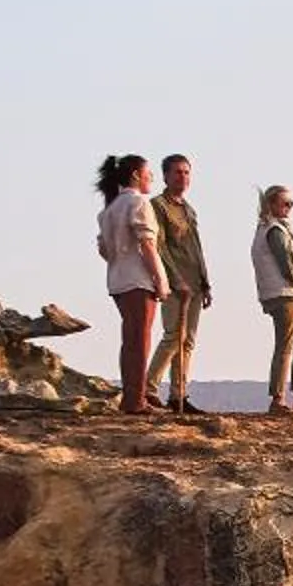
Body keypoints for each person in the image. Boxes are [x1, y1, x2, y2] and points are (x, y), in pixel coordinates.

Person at [93, 153, 164, 413]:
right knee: (140, 339)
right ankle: (136, 399)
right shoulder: (139, 203)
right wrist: (159, 279)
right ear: (136, 175)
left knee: (130, 339)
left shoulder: (109, 210)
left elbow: (103, 249)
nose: (151, 178)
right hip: (138, 279)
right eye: (149, 173)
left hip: (117, 279)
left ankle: (131, 397)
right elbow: (147, 244)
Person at [145, 153, 213, 411]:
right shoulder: (158, 206)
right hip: (175, 283)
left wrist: (205, 282)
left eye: (186, 172)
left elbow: (196, 248)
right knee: (173, 336)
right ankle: (149, 388)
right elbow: (160, 247)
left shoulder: (188, 209)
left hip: (195, 281)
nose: (182, 177)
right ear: (165, 176)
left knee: (188, 340)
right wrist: (176, 279)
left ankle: (178, 394)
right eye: (177, 172)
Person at [253, 184, 293, 415]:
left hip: (286, 293)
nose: (289, 207)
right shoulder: (274, 230)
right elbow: (288, 267)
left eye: (292, 204)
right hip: (283, 293)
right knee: (287, 344)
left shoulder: (274, 229)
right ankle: (278, 399)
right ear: (271, 204)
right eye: (285, 203)